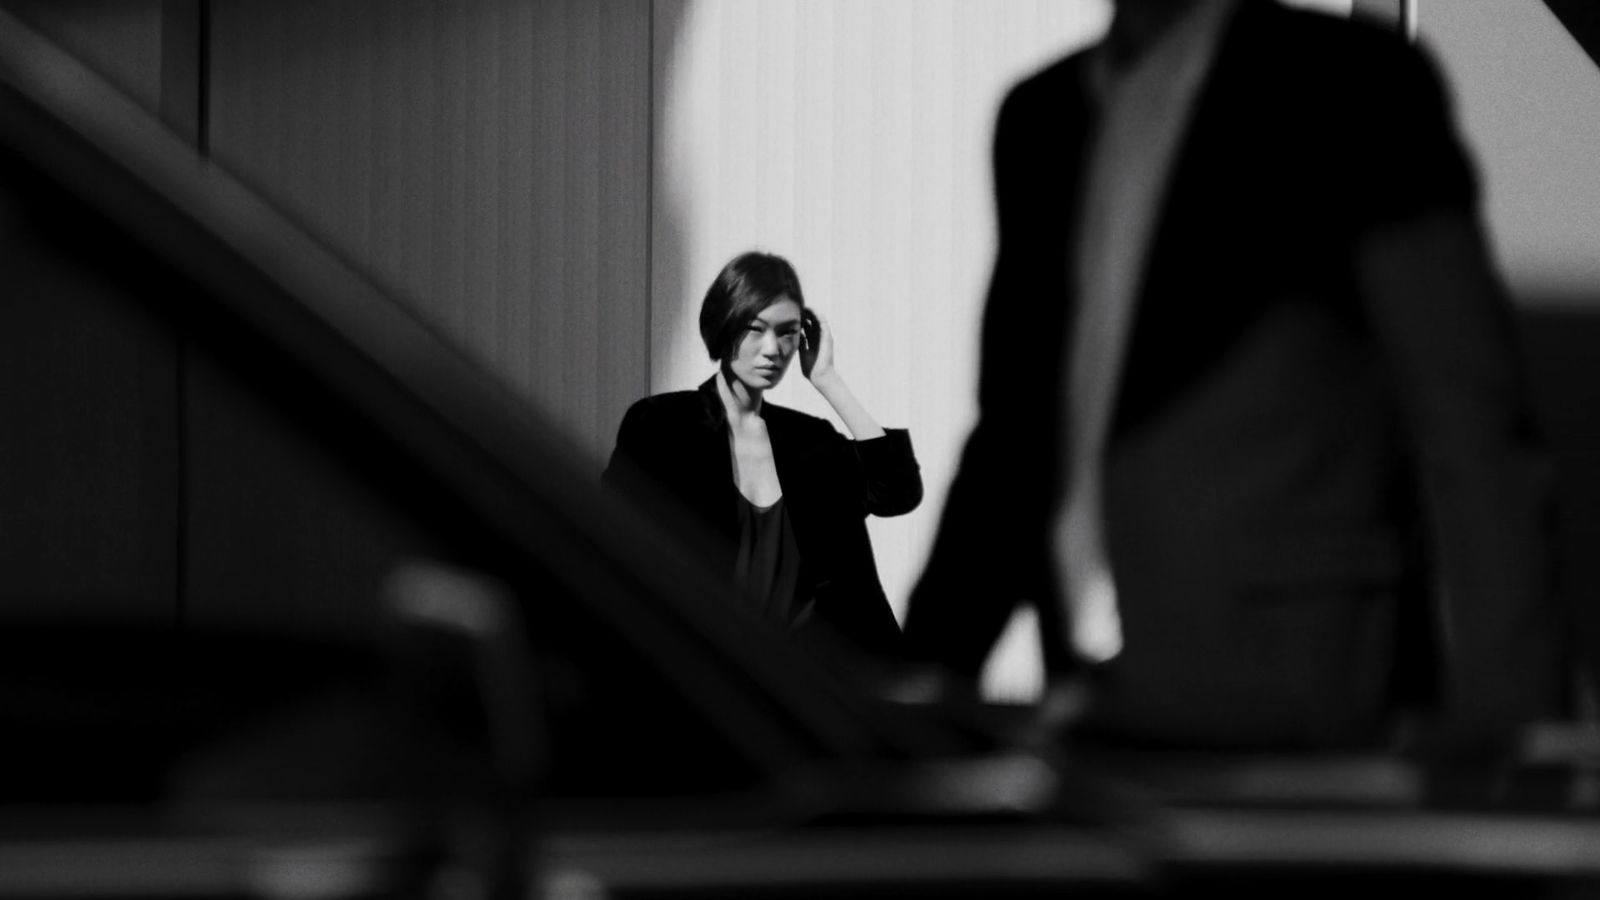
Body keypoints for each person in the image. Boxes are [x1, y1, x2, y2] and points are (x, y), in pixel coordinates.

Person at [902, 0, 1561, 754]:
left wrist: (1520, 736)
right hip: (1093, 704)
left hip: (1304, 702)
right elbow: (1016, 437)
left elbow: (1472, 423)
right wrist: (921, 677)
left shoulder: (1349, 86)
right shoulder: (1042, 117)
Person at [604, 251, 922, 668]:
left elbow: (896, 492)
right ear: (725, 323)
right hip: (700, 671)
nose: (773, 349)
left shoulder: (811, 441)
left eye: (788, 333)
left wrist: (827, 379)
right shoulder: (662, 425)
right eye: (756, 329)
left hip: (807, 682)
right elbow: (611, 537)